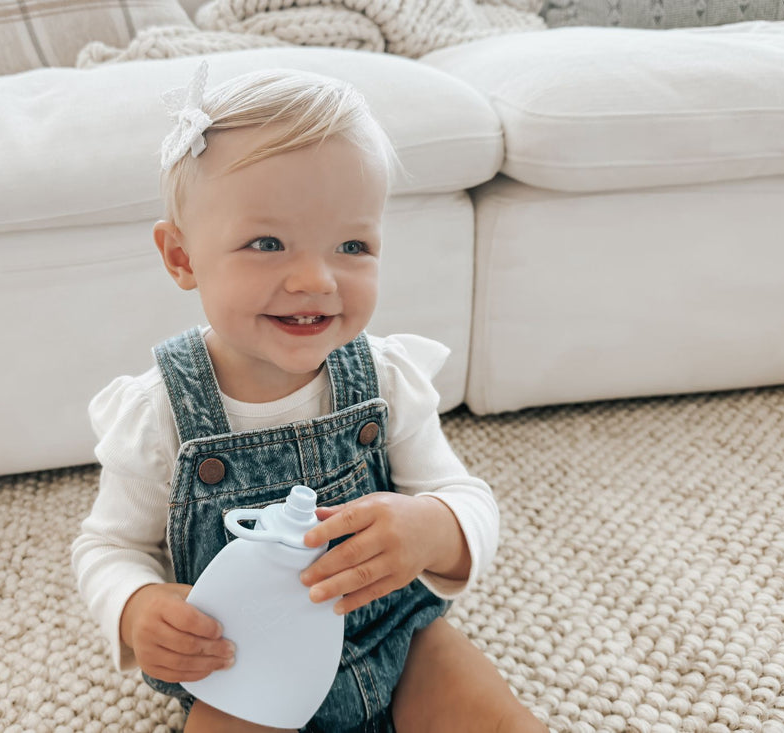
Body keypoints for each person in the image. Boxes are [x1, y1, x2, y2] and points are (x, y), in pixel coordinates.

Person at [71, 61, 545, 733]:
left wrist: (433, 527)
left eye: (352, 244)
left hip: (398, 641)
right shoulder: (159, 412)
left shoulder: (383, 379)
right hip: (246, 670)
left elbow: (468, 498)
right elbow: (108, 546)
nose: (315, 278)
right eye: (267, 243)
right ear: (181, 257)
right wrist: (137, 604)